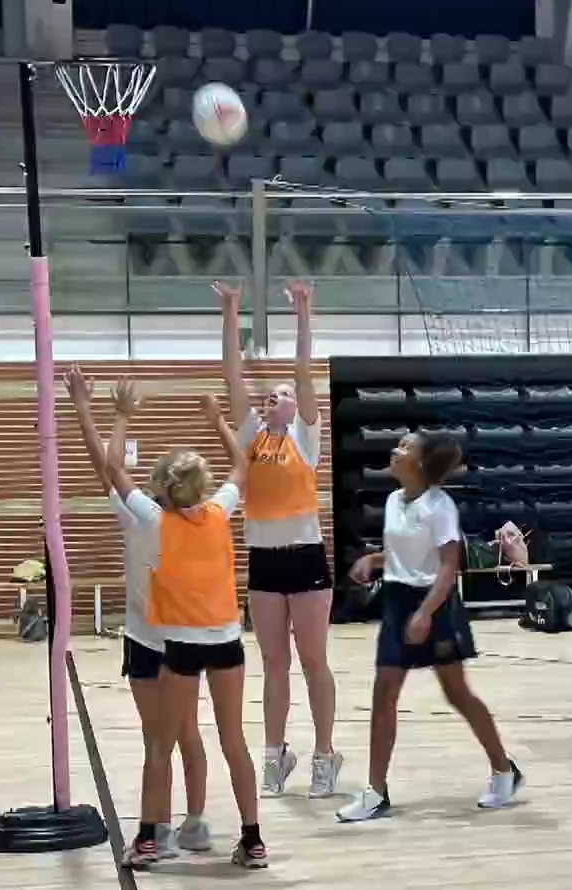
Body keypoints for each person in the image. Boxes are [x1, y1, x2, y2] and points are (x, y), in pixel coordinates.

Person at [106, 380, 268, 869]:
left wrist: (122, 414)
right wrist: (218, 419)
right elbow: (243, 465)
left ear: (165, 488)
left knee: (161, 743)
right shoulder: (220, 512)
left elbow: (112, 468)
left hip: (180, 644)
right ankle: (253, 840)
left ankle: (148, 842)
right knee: (233, 739)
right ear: (201, 486)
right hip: (226, 641)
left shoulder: (156, 520)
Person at [336, 431, 524, 821]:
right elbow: (405, 551)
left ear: (420, 465)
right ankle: (375, 792)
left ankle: (504, 770)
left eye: (405, 448)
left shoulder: (440, 507)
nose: (395, 450)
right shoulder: (392, 500)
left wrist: (425, 613)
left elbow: (448, 566)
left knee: (457, 694)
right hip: (396, 600)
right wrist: (374, 560)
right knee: (383, 693)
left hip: (435, 606)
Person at [65, 365, 212, 855]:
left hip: (154, 643)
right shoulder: (207, 520)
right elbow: (107, 468)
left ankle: (160, 832)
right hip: (180, 641)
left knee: (161, 739)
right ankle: (194, 822)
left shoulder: (143, 518)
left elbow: (105, 466)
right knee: (186, 732)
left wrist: (107, 412)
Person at [218, 279, 341, 799]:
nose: (277, 396)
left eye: (285, 394)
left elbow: (303, 373)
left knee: (313, 660)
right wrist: (231, 311)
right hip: (264, 561)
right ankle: (275, 754)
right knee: (273, 663)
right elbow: (233, 373)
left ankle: (324, 753)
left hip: (306, 559)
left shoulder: (306, 437)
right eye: (272, 396)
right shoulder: (250, 436)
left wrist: (304, 312)